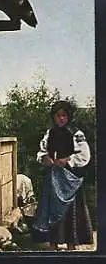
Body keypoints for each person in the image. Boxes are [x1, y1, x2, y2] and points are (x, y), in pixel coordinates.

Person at [32, 100, 94, 251]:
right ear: (53, 117)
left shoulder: (76, 134)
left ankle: (71, 245)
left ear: (69, 117)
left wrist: (68, 161)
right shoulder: (49, 133)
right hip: (53, 178)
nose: (61, 119)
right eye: (58, 115)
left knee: (70, 210)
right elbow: (42, 150)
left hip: (69, 179)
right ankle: (53, 245)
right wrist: (44, 158)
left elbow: (85, 155)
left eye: (64, 116)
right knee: (51, 209)